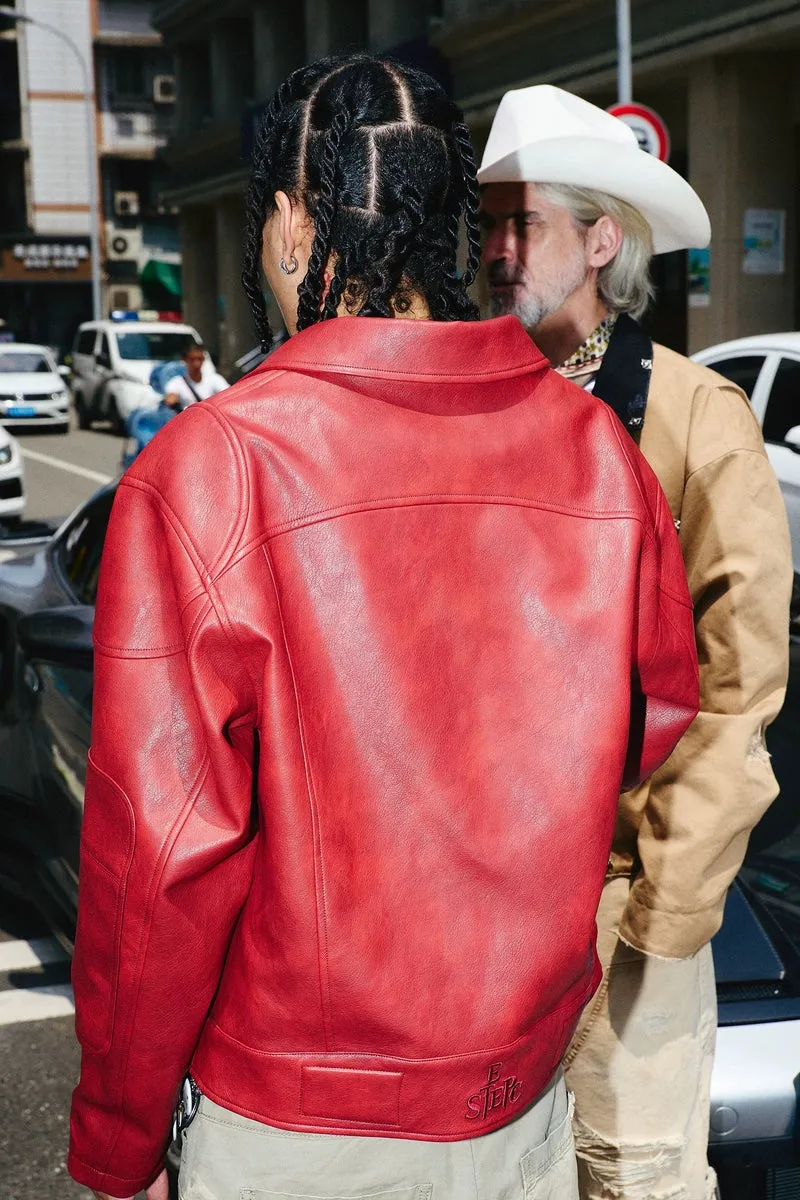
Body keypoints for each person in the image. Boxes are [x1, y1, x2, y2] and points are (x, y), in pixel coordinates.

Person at [68, 57, 699, 1200]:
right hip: (514, 1108)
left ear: (293, 227)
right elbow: (653, 721)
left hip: (292, 1126)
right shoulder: (598, 452)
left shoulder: (215, 468)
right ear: (458, 230)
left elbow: (156, 864)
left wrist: (119, 1140)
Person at [479, 83, 793, 1200]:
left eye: (526, 225)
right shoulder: (463, 407)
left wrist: (657, 921)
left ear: (601, 240)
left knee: (633, 1178)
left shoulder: (694, 415)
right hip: (476, 925)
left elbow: (739, 690)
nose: (498, 250)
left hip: (626, 920)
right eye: (490, 226)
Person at [163, 340, 228, 409]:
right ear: (185, 360)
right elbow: (170, 399)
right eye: (192, 359)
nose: (196, 364)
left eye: (200, 359)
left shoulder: (215, 379)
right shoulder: (176, 382)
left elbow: (229, 396)